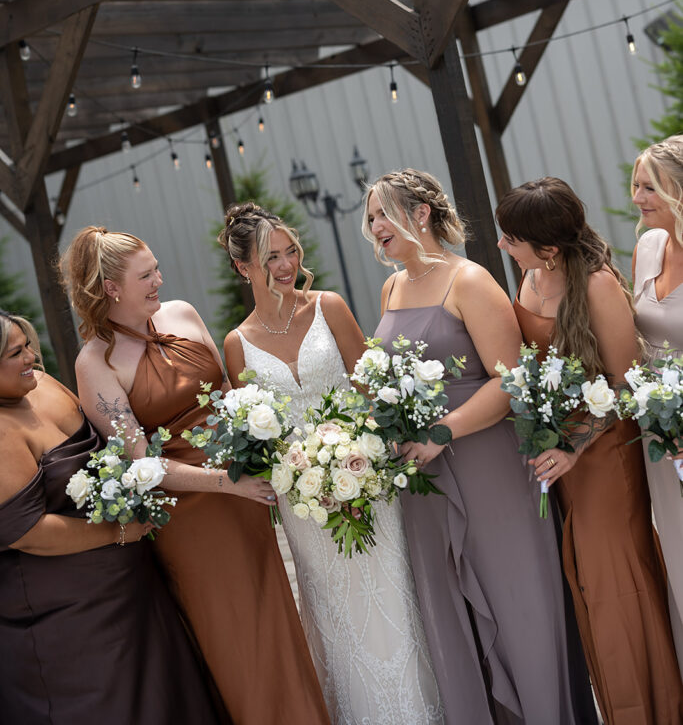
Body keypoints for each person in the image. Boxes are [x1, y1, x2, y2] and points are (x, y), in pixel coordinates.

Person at [61, 226, 330, 725]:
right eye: (147, 275)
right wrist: (228, 483)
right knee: (237, 640)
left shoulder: (182, 313)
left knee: (277, 618)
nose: (160, 279)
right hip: (191, 516)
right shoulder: (94, 363)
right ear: (112, 287)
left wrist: (258, 448)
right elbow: (140, 463)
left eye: (157, 268)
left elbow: (229, 391)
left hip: (243, 490)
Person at [363, 169, 578, 725]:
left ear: (422, 214)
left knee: (515, 601)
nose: (374, 226)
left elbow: (508, 382)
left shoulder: (470, 280)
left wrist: (442, 432)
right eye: (369, 218)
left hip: (487, 466)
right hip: (425, 481)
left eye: (383, 212)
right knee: (448, 608)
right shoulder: (391, 288)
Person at [221, 202, 444, 725]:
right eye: (269, 256)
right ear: (243, 268)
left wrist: (358, 454)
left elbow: (371, 393)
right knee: (340, 616)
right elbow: (258, 436)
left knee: (395, 598)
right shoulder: (236, 345)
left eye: (290, 251)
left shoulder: (329, 306)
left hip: (368, 480)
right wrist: (301, 478)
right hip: (306, 509)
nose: (284, 264)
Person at [497, 176, 683, 725]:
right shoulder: (531, 274)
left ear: (549, 247)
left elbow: (627, 386)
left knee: (614, 586)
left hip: (601, 455)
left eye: (512, 238)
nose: (503, 246)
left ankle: (654, 710)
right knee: (583, 581)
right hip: (558, 456)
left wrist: (574, 446)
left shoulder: (597, 284)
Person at [0, 309, 224, 725]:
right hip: (67, 615)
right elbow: (27, 532)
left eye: (28, 344)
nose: (31, 356)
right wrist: (121, 531)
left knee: (167, 692)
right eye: (16, 353)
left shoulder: (43, 384)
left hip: (129, 585)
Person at [632, 135, 683, 670]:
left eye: (650, 186)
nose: (638, 197)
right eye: (637, 185)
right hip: (661, 440)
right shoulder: (647, 247)